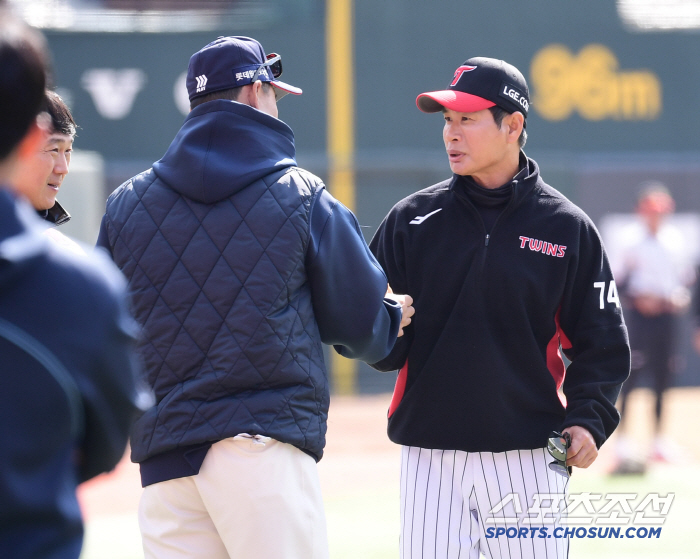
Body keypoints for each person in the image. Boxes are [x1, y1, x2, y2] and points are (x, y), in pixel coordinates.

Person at [96, 36, 410, 559]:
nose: (276, 105)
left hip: (166, 464)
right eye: (273, 92)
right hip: (262, 454)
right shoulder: (301, 193)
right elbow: (359, 326)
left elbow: (106, 331)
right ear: (253, 90)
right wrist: (390, 318)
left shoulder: (125, 205)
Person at [369, 57, 630, 559]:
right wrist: (376, 325)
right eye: (447, 120)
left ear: (513, 126)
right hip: (430, 457)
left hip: (530, 459)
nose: (451, 133)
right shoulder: (411, 220)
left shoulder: (566, 228)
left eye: (467, 119)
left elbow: (602, 342)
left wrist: (589, 419)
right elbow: (378, 343)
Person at [0, 11, 147, 559]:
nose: (61, 164)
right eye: (52, 148)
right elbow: (104, 441)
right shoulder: (82, 287)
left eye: (68, 150)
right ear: (30, 132)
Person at [611, 183, 694, 472]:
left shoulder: (675, 240)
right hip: (639, 319)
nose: (657, 216)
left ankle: (658, 440)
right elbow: (616, 283)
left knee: (664, 376)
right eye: (651, 210)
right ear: (640, 211)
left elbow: (684, 280)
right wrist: (638, 299)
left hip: (667, 318)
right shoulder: (629, 241)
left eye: (662, 210)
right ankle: (622, 441)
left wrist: (678, 298)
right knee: (631, 378)